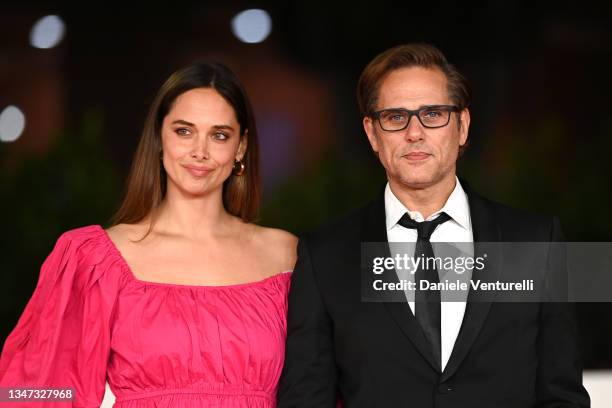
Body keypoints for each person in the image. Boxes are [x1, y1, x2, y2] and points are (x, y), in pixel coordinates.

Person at [277, 44, 589, 407]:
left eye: (433, 114)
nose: (414, 133)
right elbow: (305, 398)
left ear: (463, 126)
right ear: (372, 133)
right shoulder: (326, 255)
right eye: (395, 117)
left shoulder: (536, 241)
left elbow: (562, 394)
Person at [0, 62, 297, 407]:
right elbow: (33, 391)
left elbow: (331, 382)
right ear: (159, 137)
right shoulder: (96, 258)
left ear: (240, 148)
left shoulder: (286, 256)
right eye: (183, 131)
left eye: (219, 135)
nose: (199, 151)